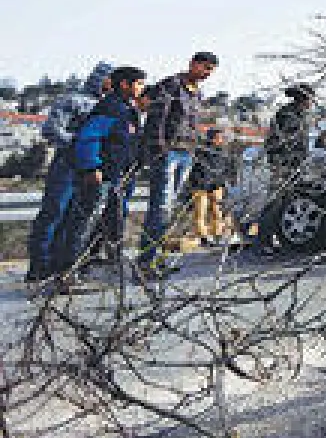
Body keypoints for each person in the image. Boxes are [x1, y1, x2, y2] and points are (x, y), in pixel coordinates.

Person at [53, 66, 148, 290]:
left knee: (105, 224)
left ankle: (86, 267)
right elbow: (88, 138)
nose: (142, 88)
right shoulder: (111, 108)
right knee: (84, 223)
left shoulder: (127, 109)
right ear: (124, 84)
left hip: (117, 176)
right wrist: (91, 167)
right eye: (139, 83)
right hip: (101, 176)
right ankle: (67, 272)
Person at [25, 60, 112, 286]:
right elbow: (51, 130)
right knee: (53, 213)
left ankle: (61, 266)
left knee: (76, 218)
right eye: (108, 78)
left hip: (91, 167)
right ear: (100, 78)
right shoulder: (72, 100)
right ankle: (39, 267)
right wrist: (80, 143)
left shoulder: (106, 106)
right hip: (67, 164)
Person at [139, 51, 217, 278]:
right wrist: (159, 149)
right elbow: (157, 119)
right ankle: (146, 262)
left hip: (187, 153)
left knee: (169, 209)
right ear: (193, 64)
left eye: (211, 70)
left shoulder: (197, 93)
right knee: (160, 208)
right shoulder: (171, 85)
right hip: (169, 153)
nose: (207, 74)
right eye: (205, 68)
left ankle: (157, 258)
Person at [253, 83, 315, 255]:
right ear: (303, 99)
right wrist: (281, 163)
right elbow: (281, 141)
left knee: (284, 203)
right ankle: (262, 241)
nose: (312, 102)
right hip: (284, 165)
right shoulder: (289, 115)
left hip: (293, 164)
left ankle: (271, 240)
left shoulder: (298, 114)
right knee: (275, 202)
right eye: (310, 98)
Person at [186, 128, 235, 246]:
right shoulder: (201, 151)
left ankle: (217, 235)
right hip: (201, 187)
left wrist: (224, 183)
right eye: (219, 137)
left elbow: (227, 169)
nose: (222, 140)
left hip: (217, 186)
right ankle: (203, 237)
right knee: (200, 213)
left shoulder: (224, 152)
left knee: (217, 212)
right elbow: (195, 170)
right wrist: (196, 184)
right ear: (212, 138)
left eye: (222, 138)